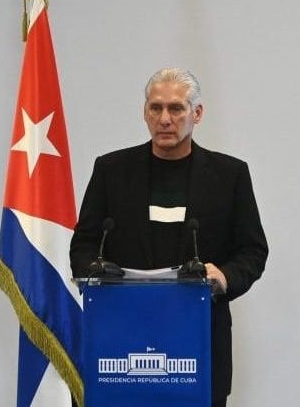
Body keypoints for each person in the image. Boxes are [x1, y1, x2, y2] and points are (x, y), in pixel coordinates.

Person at [70, 68, 269, 406]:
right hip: (120, 340)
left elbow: (252, 250)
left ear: (197, 113)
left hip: (197, 342)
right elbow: (85, 242)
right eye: (155, 108)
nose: (165, 119)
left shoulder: (230, 175)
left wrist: (224, 276)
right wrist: (94, 268)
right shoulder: (111, 170)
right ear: (144, 112)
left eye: (176, 109)